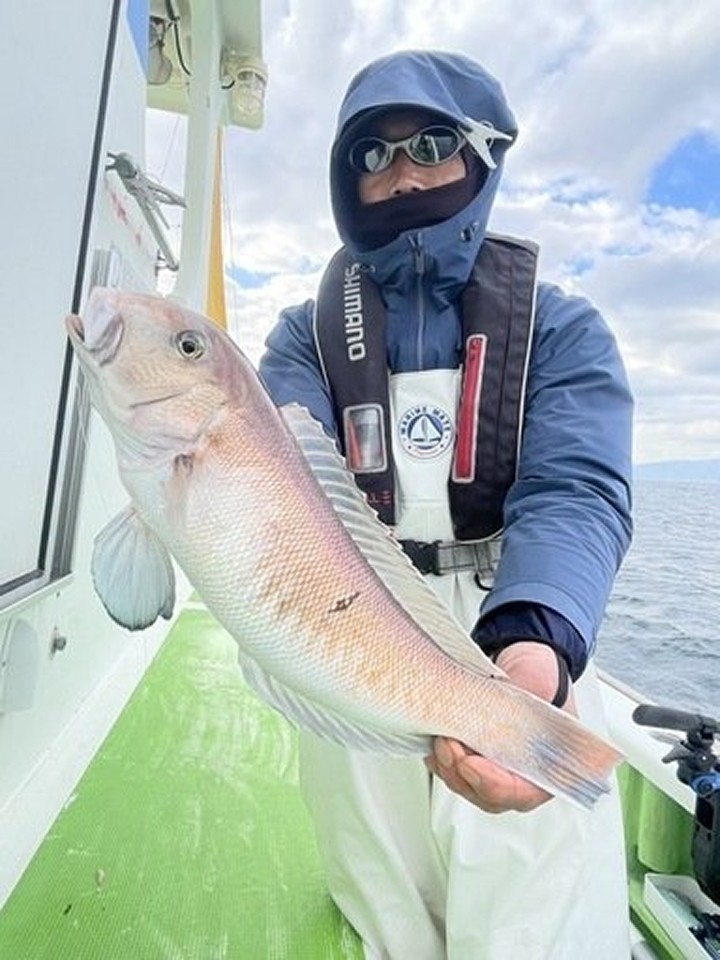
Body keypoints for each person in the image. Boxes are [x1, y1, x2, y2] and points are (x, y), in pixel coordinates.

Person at [259, 50, 633, 960]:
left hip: (502, 626)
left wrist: (537, 639)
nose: (402, 174)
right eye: (372, 156)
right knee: (380, 890)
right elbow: (275, 482)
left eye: (430, 144)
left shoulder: (562, 326)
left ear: (481, 157)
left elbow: (576, 491)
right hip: (350, 618)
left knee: (529, 911)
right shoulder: (301, 338)